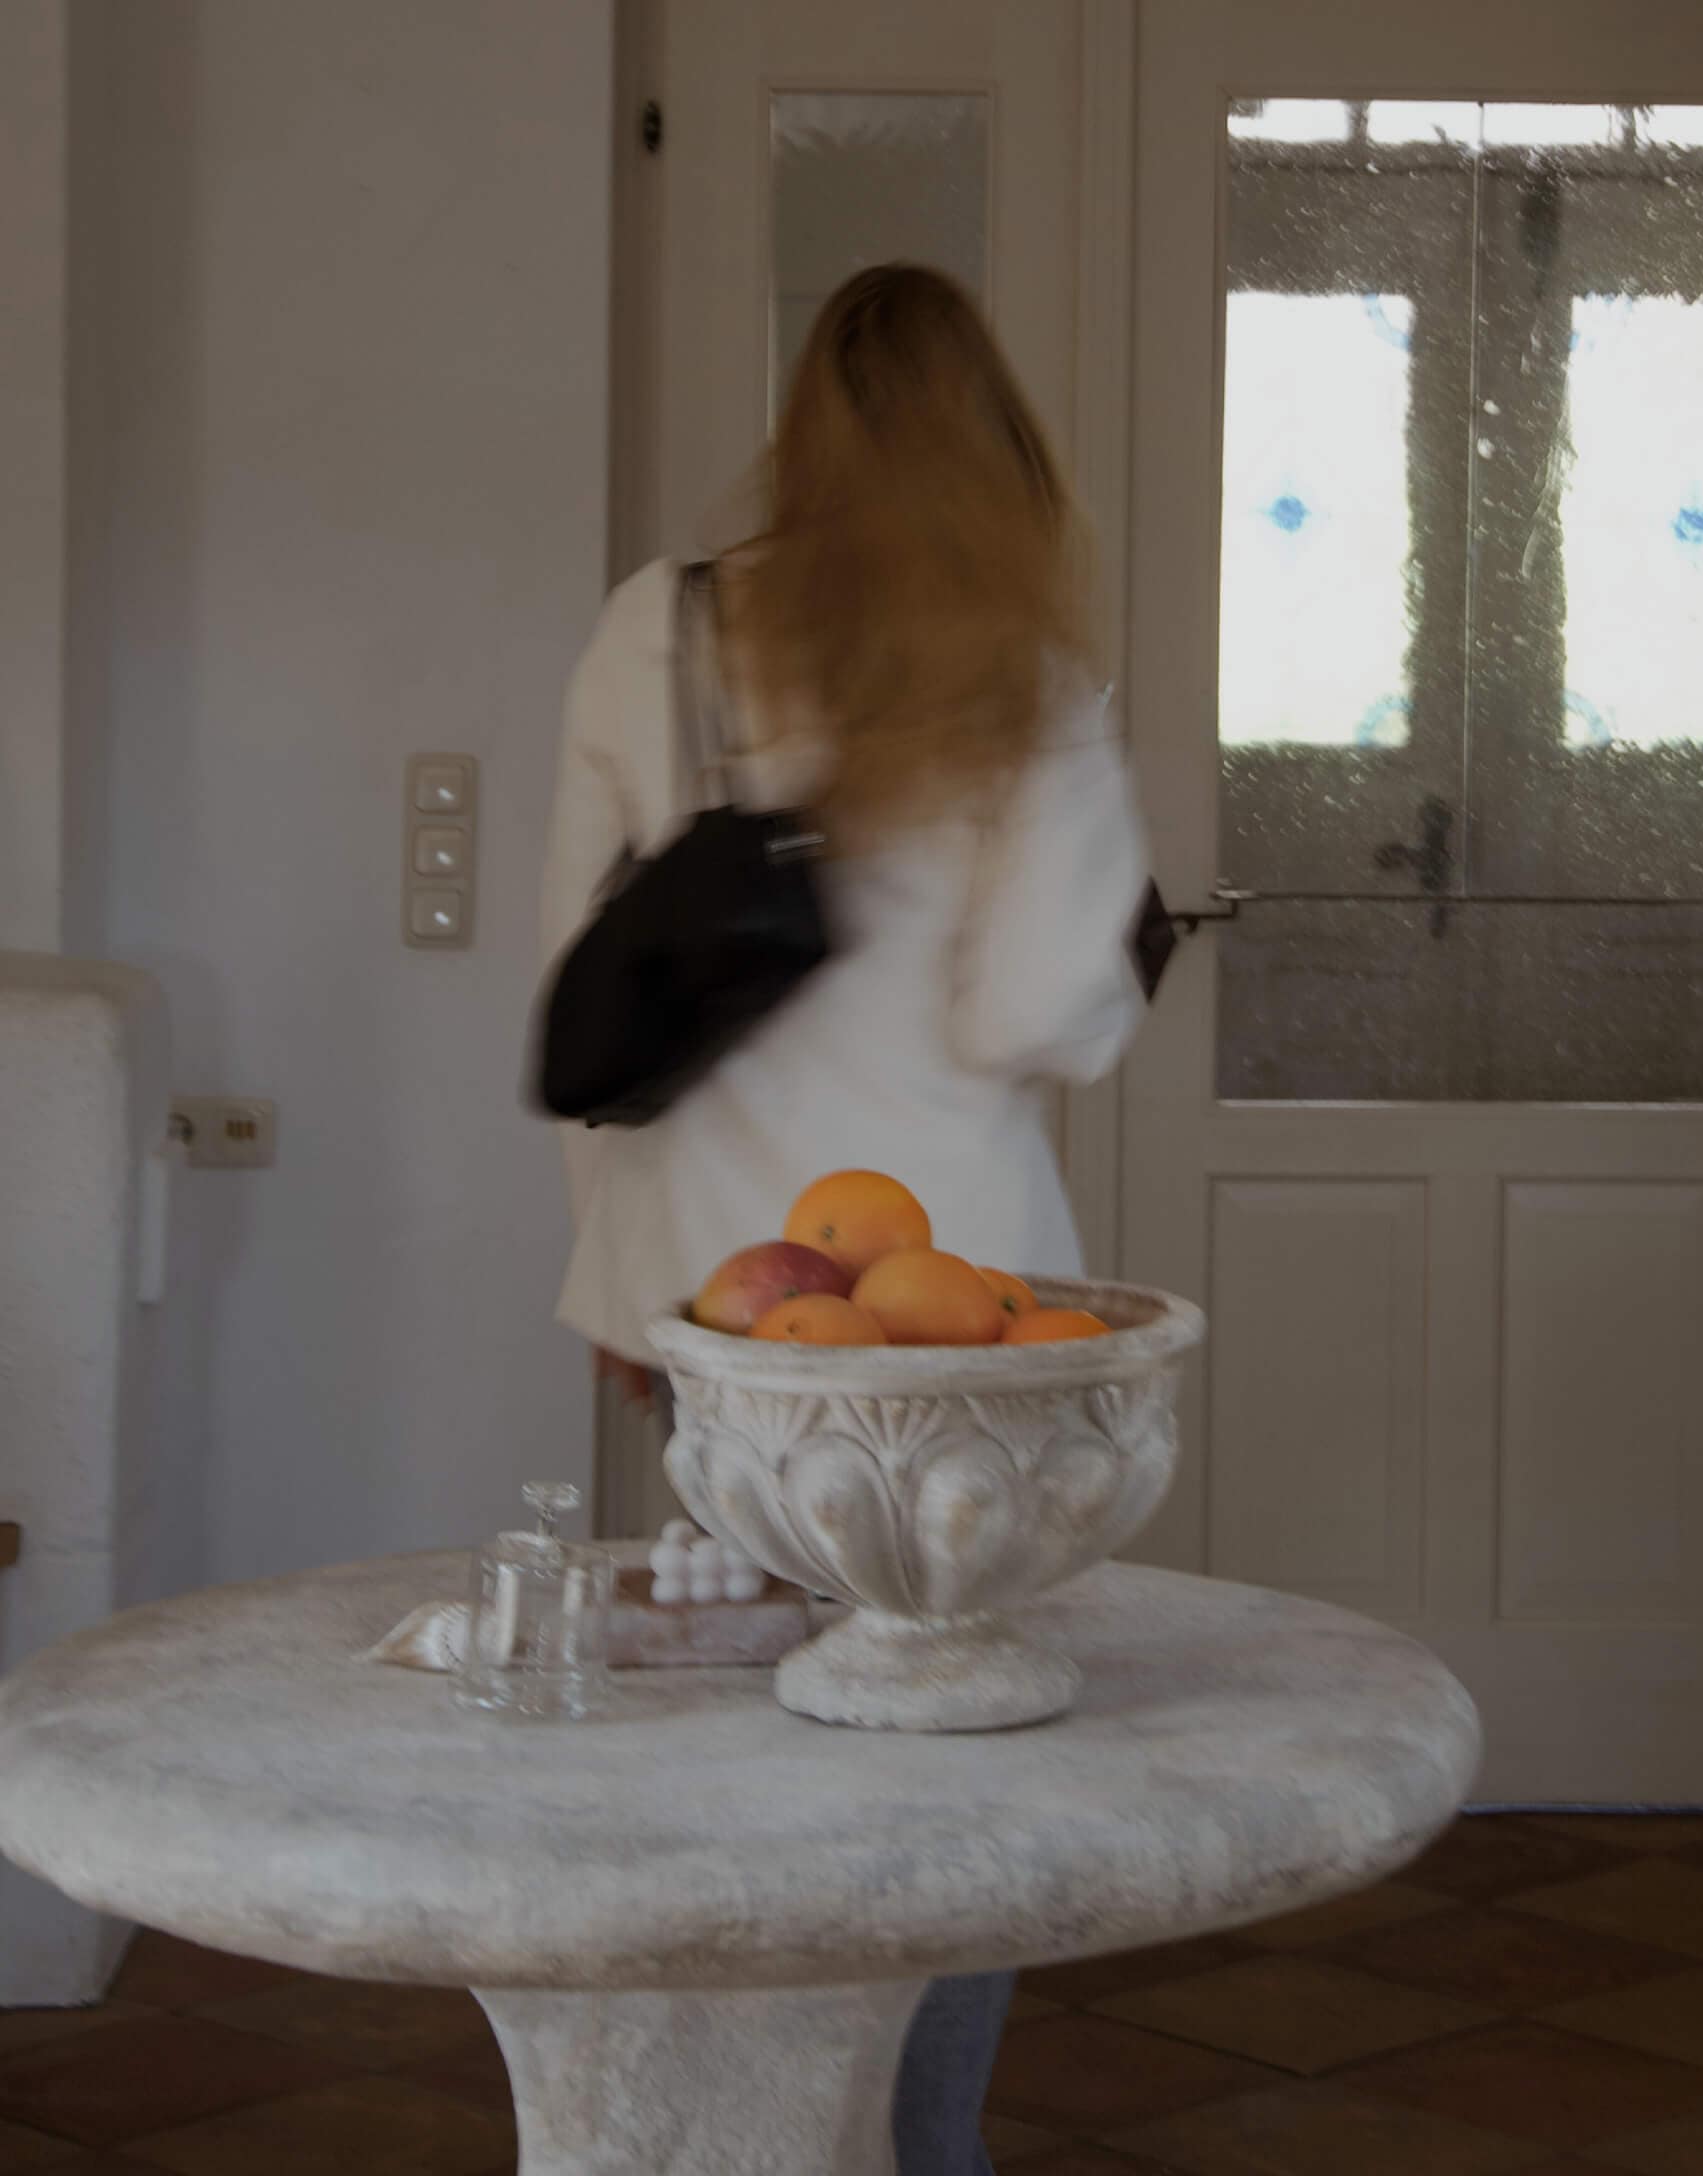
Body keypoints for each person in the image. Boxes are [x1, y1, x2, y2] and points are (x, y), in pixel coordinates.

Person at [539, 264, 1153, 2176]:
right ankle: (917, 2144)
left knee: (735, 1715)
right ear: (997, 452)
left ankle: (723, 2128)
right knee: (941, 1739)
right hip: (954, 1311)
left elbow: (588, 1000)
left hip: (721, 1302)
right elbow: (1038, 1014)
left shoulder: (664, 630)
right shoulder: (1026, 680)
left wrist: (620, 1282)